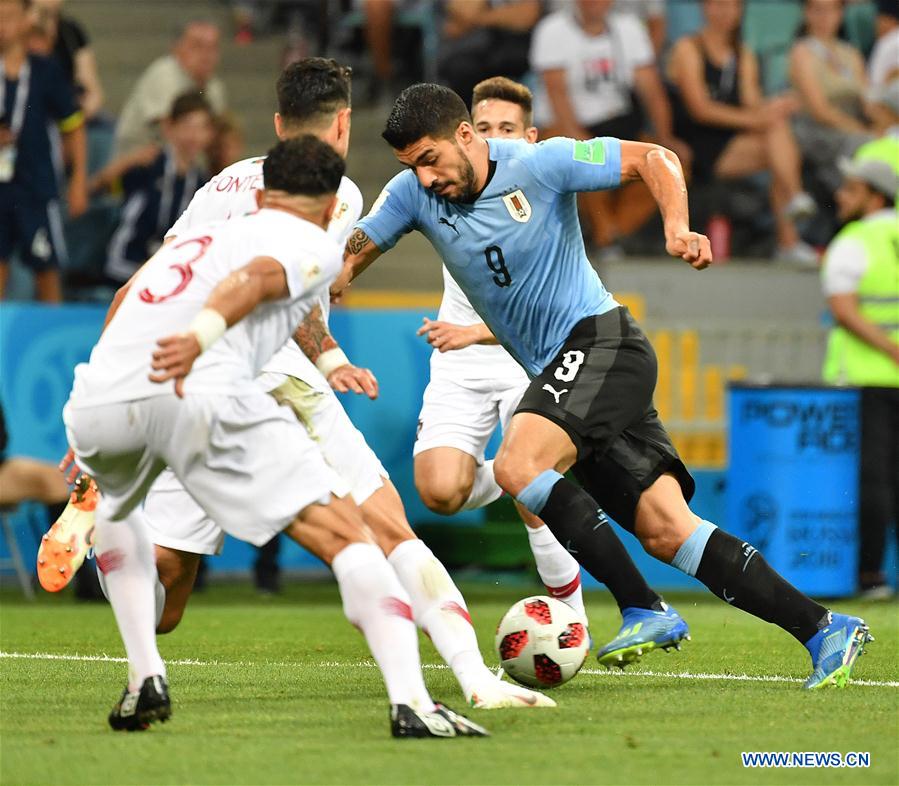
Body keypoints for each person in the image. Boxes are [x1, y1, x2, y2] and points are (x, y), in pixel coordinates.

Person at [46, 59, 553, 711]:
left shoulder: (224, 182)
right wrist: (330, 354)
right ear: (344, 123)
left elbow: (139, 287)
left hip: (166, 384)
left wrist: (102, 391)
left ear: (279, 123)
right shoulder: (334, 193)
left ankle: (137, 641)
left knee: (168, 598)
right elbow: (281, 283)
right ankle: (465, 685)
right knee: (379, 533)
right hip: (260, 375)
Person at [337, 82, 872, 690]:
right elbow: (352, 252)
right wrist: (324, 276)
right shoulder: (413, 194)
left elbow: (655, 157)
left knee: (518, 464)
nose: (426, 179)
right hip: (568, 374)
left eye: (430, 160)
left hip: (603, 343)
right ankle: (825, 628)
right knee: (668, 530)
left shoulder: (542, 163)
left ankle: (644, 607)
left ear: (467, 135)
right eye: (413, 167)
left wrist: (677, 226)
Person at [414, 75, 690, 666]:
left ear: (527, 136)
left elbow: (540, 306)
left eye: (504, 129)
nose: (490, 139)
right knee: (441, 491)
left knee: (530, 477)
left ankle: (576, 625)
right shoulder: (434, 187)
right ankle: (535, 482)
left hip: (533, 359)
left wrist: (474, 331)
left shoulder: (537, 175)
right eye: (481, 127)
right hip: (460, 365)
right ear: (463, 133)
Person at [529, 0, 689, 259]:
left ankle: (613, 234)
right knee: (582, 156)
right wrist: (580, 140)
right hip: (562, 127)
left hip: (617, 125)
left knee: (672, 164)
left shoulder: (629, 29)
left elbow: (652, 92)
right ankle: (604, 238)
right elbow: (556, 93)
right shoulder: (552, 30)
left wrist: (666, 138)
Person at [667, 0, 818, 265]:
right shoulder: (688, 48)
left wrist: (775, 107)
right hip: (697, 143)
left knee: (777, 132)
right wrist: (758, 120)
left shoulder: (742, 53)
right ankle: (791, 221)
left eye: (732, 6)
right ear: (705, 8)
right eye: (718, 5)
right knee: (777, 143)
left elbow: (752, 102)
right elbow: (700, 109)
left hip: (735, 137)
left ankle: (791, 223)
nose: (725, 12)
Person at [821, 138, 899, 600]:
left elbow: (844, 310)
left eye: (852, 189)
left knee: (871, 481)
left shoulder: (854, 241)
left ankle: (870, 576)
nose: (842, 196)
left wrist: (890, 350)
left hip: (867, 379)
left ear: (874, 196)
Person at [0, 0, 86, 302]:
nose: (2, 25)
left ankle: (52, 335)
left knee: (47, 269)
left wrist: (77, 182)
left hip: (35, 187)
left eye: (9, 17)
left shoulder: (45, 70)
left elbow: (74, 126)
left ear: (25, 19)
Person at [91, 92, 213, 284]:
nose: (194, 136)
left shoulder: (201, 181)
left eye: (201, 128)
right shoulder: (147, 165)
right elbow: (94, 190)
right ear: (169, 128)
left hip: (164, 271)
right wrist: (126, 163)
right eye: (187, 126)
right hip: (126, 265)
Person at [789, 0, 875, 195]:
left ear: (840, 13)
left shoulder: (851, 53)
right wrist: (863, 130)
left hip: (855, 123)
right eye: (818, 10)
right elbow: (820, 111)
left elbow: (869, 100)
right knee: (864, 144)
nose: (824, 17)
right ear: (807, 13)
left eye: (831, 10)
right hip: (820, 130)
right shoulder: (802, 52)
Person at [114, 20, 226, 157]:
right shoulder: (164, 74)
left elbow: (218, 132)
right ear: (177, 48)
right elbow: (169, 132)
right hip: (139, 162)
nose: (206, 55)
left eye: (213, 47)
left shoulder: (215, 87)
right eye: (198, 46)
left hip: (186, 164)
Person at [437, 0, 542, 107]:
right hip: (472, 52)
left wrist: (478, 19)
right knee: (460, 69)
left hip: (520, 49)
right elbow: (460, 16)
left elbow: (526, 16)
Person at [30, 0, 104, 119]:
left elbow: (93, 91)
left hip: (72, 111)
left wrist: (77, 117)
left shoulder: (71, 31)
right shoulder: (22, 30)